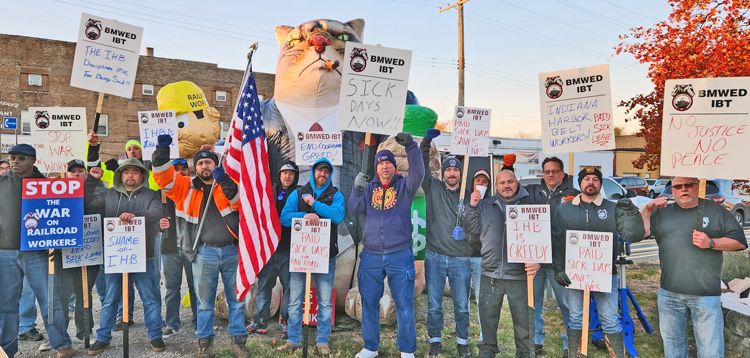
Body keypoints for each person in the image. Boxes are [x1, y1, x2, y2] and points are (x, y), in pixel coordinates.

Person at [151, 134, 249, 358]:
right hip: (204, 252)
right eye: (201, 163)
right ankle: (205, 345)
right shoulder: (185, 186)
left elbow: (241, 204)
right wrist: (162, 152)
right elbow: (163, 179)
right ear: (196, 167)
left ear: (216, 164)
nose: (205, 166)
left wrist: (224, 181)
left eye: (209, 162)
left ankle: (238, 342)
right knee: (205, 303)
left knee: (236, 300)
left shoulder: (227, 183)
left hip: (232, 250)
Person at [642, 177, 747, 358]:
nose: (684, 189)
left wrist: (711, 242)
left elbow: (739, 242)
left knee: (710, 349)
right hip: (669, 293)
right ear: (672, 191)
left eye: (689, 185)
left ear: (698, 187)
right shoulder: (662, 213)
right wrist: (647, 209)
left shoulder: (716, 211)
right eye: (678, 186)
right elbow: (641, 233)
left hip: (705, 294)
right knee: (673, 346)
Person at [551, 167, 645, 358]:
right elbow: (557, 241)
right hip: (574, 274)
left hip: (604, 272)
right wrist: (558, 267)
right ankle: (575, 354)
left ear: (600, 183)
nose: (591, 182)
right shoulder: (564, 209)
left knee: (610, 318)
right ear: (580, 183)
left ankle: (617, 355)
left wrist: (632, 214)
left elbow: (633, 235)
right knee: (576, 317)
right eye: (587, 179)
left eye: (595, 179)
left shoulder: (612, 208)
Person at [348, 132, 424, 358]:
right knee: (369, 303)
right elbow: (353, 209)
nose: (385, 167)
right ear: (376, 168)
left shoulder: (405, 187)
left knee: (403, 304)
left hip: (399, 253)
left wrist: (410, 146)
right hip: (370, 254)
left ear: (394, 168)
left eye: (389, 163)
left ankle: (407, 350)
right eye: (381, 163)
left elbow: (418, 172)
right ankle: (370, 347)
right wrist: (357, 189)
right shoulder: (368, 188)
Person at [0, 144, 76, 358]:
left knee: (49, 299)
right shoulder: (1, 183)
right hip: (5, 251)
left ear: (33, 160)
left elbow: (62, 216)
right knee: (5, 304)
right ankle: (6, 350)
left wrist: (58, 243)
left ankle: (62, 344)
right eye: (12, 157)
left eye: (21, 157)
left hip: (37, 252)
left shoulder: (47, 185)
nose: (15, 160)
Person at [84, 157, 166, 355]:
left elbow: (157, 212)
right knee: (110, 299)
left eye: (135, 172)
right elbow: (86, 202)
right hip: (114, 258)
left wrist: (134, 214)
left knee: (150, 299)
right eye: (126, 172)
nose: (131, 175)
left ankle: (156, 335)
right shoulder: (108, 194)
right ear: (120, 175)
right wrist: (91, 180)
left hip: (144, 258)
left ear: (141, 176)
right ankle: (103, 338)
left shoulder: (152, 194)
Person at [464, 169, 539, 358]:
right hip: (490, 274)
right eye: (502, 182)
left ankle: (524, 353)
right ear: (495, 186)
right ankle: (487, 351)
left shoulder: (530, 204)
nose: (506, 185)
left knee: (524, 325)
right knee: (488, 323)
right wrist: (472, 207)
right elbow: (470, 229)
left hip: (520, 276)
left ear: (517, 182)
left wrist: (539, 262)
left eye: (510, 181)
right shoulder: (485, 205)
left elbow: (542, 238)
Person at [276, 158, 345, 356]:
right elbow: (284, 217)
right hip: (300, 255)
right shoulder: (298, 193)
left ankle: (322, 341)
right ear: (313, 171)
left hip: (325, 256)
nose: (322, 175)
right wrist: (303, 215)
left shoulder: (336, 195)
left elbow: (338, 216)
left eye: (326, 172)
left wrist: (315, 205)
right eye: (319, 171)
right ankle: (293, 339)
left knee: (324, 302)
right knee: (295, 299)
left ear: (329, 174)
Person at [419, 128, 472, 358]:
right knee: (434, 304)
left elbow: (479, 228)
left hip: (461, 258)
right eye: (448, 169)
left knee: (461, 305)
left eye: (455, 170)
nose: (451, 173)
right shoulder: (434, 188)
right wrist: (426, 142)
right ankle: (435, 341)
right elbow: (422, 167)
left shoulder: (468, 196)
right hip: (435, 255)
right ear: (444, 172)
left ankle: (462, 343)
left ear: (460, 174)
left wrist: (468, 235)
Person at [523, 156, 578, 356]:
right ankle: (536, 341)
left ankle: (570, 343)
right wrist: (507, 166)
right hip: (536, 259)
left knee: (568, 304)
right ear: (543, 174)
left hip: (562, 261)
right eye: (547, 171)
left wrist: (576, 207)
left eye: (555, 171)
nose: (551, 175)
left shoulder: (574, 194)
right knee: (533, 303)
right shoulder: (532, 192)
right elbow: (508, 189)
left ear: (563, 173)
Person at [249, 160, 300, 337]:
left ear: (295, 176)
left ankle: (286, 322)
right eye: (284, 172)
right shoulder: (269, 191)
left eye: (291, 173)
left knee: (290, 288)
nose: (287, 176)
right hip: (269, 250)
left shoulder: (300, 193)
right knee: (264, 287)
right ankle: (261, 322)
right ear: (279, 175)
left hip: (290, 250)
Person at [56, 159, 101, 343]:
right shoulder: (55, 192)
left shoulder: (98, 190)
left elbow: (92, 205)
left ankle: (85, 332)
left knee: (84, 292)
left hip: (88, 249)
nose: (76, 173)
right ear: (66, 174)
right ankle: (59, 336)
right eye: (72, 171)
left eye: (80, 170)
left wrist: (91, 183)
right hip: (61, 252)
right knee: (61, 294)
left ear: (86, 173)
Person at [160, 158, 198, 338]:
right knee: (171, 288)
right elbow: (152, 218)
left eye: (184, 169)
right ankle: (172, 323)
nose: (181, 172)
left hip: (192, 248)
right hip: (170, 248)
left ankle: (199, 323)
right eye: (176, 169)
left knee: (196, 287)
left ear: (189, 172)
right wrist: (158, 225)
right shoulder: (161, 194)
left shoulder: (195, 192)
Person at [467, 168, 492, 343]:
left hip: (481, 257)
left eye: (484, 182)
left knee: (482, 299)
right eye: (478, 181)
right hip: (461, 255)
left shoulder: (491, 203)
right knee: (462, 300)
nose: (481, 184)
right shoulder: (465, 199)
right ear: (472, 183)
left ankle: (485, 337)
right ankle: (463, 335)